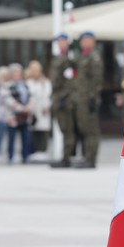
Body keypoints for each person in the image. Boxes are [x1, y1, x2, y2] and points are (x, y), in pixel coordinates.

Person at [72, 31, 104, 168]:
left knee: (91, 129)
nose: (83, 42)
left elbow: (97, 80)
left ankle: (91, 158)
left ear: (93, 41)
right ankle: (86, 156)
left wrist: (93, 98)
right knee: (84, 128)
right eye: (82, 40)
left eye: (87, 39)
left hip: (89, 99)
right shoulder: (82, 57)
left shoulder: (94, 57)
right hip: (81, 98)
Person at [50, 34, 78, 168]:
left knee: (67, 130)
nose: (60, 44)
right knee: (63, 128)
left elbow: (71, 81)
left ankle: (66, 157)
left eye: (63, 42)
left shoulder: (69, 59)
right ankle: (64, 156)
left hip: (65, 99)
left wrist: (65, 96)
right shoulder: (58, 58)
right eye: (59, 42)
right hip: (57, 97)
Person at [3, 62, 33, 164]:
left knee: (26, 137)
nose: (17, 75)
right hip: (13, 116)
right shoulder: (7, 86)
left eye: (18, 73)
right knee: (11, 138)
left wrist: (28, 107)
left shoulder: (25, 85)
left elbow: (32, 97)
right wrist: (21, 108)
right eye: (15, 73)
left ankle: (25, 156)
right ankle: (10, 157)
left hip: (25, 116)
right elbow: (8, 100)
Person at [25, 59, 52, 160]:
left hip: (43, 110)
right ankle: (35, 151)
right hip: (33, 110)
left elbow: (49, 96)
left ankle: (43, 151)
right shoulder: (28, 82)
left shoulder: (46, 82)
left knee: (43, 131)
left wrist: (47, 107)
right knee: (34, 130)